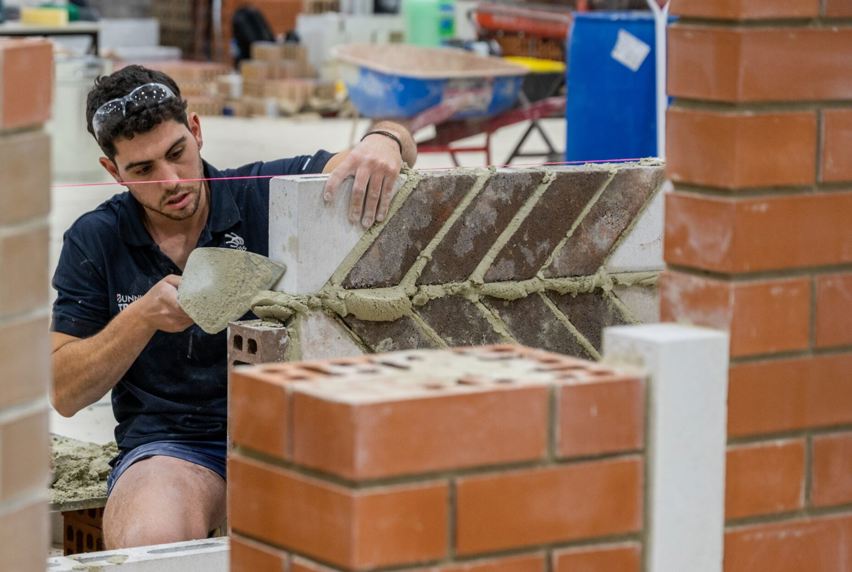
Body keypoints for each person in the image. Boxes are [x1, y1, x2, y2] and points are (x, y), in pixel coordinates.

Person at [49, 65, 417, 549]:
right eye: (143, 170)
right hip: (177, 445)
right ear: (113, 171)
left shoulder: (262, 193)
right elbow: (64, 392)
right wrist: (141, 318)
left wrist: (385, 141)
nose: (172, 180)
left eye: (177, 153)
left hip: (294, 430)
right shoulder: (96, 240)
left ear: (196, 130)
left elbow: (394, 143)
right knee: (152, 536)